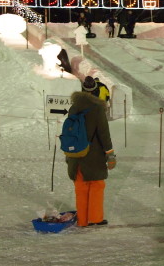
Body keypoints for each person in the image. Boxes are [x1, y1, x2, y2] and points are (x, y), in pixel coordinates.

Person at [67, 79, 117, 227]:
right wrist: (110, 155)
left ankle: (82, 220)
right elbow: (104, 135)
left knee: (80, 187)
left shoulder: (73, 108)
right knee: (96, 186)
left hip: (75, 155)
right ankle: (95, 218)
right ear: (96, 92)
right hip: (93, 156)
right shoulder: (97, 109)